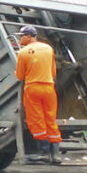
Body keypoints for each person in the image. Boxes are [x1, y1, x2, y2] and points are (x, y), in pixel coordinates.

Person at [15, 25, 62, 164]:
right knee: (50, 119)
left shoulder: (23, 52)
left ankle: (43, 153)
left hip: (33, 88)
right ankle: (55, 155)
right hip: (49, 89)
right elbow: (53, 72)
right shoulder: (48, 48)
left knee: (36, 120)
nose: (19, 38)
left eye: (21, 36)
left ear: (29, 36)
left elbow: (19, 76)